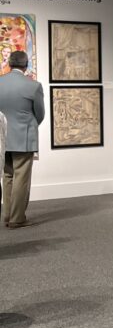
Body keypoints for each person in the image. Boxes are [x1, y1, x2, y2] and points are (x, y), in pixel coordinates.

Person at [0, 51, 44, 229]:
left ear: (9, 64)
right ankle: (17, 218)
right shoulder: (33, 86)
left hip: (2, 136)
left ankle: (7, 214)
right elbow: (39, 114)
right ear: (26, 66)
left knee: (7, 175)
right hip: (24, 136)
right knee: (21, 178)